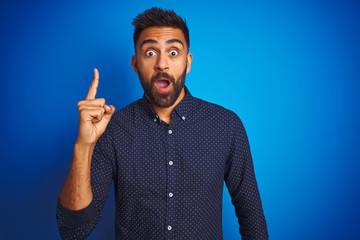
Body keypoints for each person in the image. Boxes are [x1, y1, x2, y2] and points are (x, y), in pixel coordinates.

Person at [56, 7, 268, 240]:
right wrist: (84, 145)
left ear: (188, 63)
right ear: (135, 64)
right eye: (150, 53)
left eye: (173, 52)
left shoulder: (226, 125)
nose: (162, 64)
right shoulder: (112, 130)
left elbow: (252, 219)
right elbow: (73, 231)